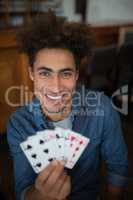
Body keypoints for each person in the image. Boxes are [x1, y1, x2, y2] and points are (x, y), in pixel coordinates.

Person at [7, 12, 128, 200]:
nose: (56, 87)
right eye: (45, 73)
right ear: (31, 73)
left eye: (65, 74)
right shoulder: (18, 123)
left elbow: (117, 165)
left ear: (77, 75)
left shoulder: (102, 108)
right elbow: (23, 191)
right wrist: (40, 195)